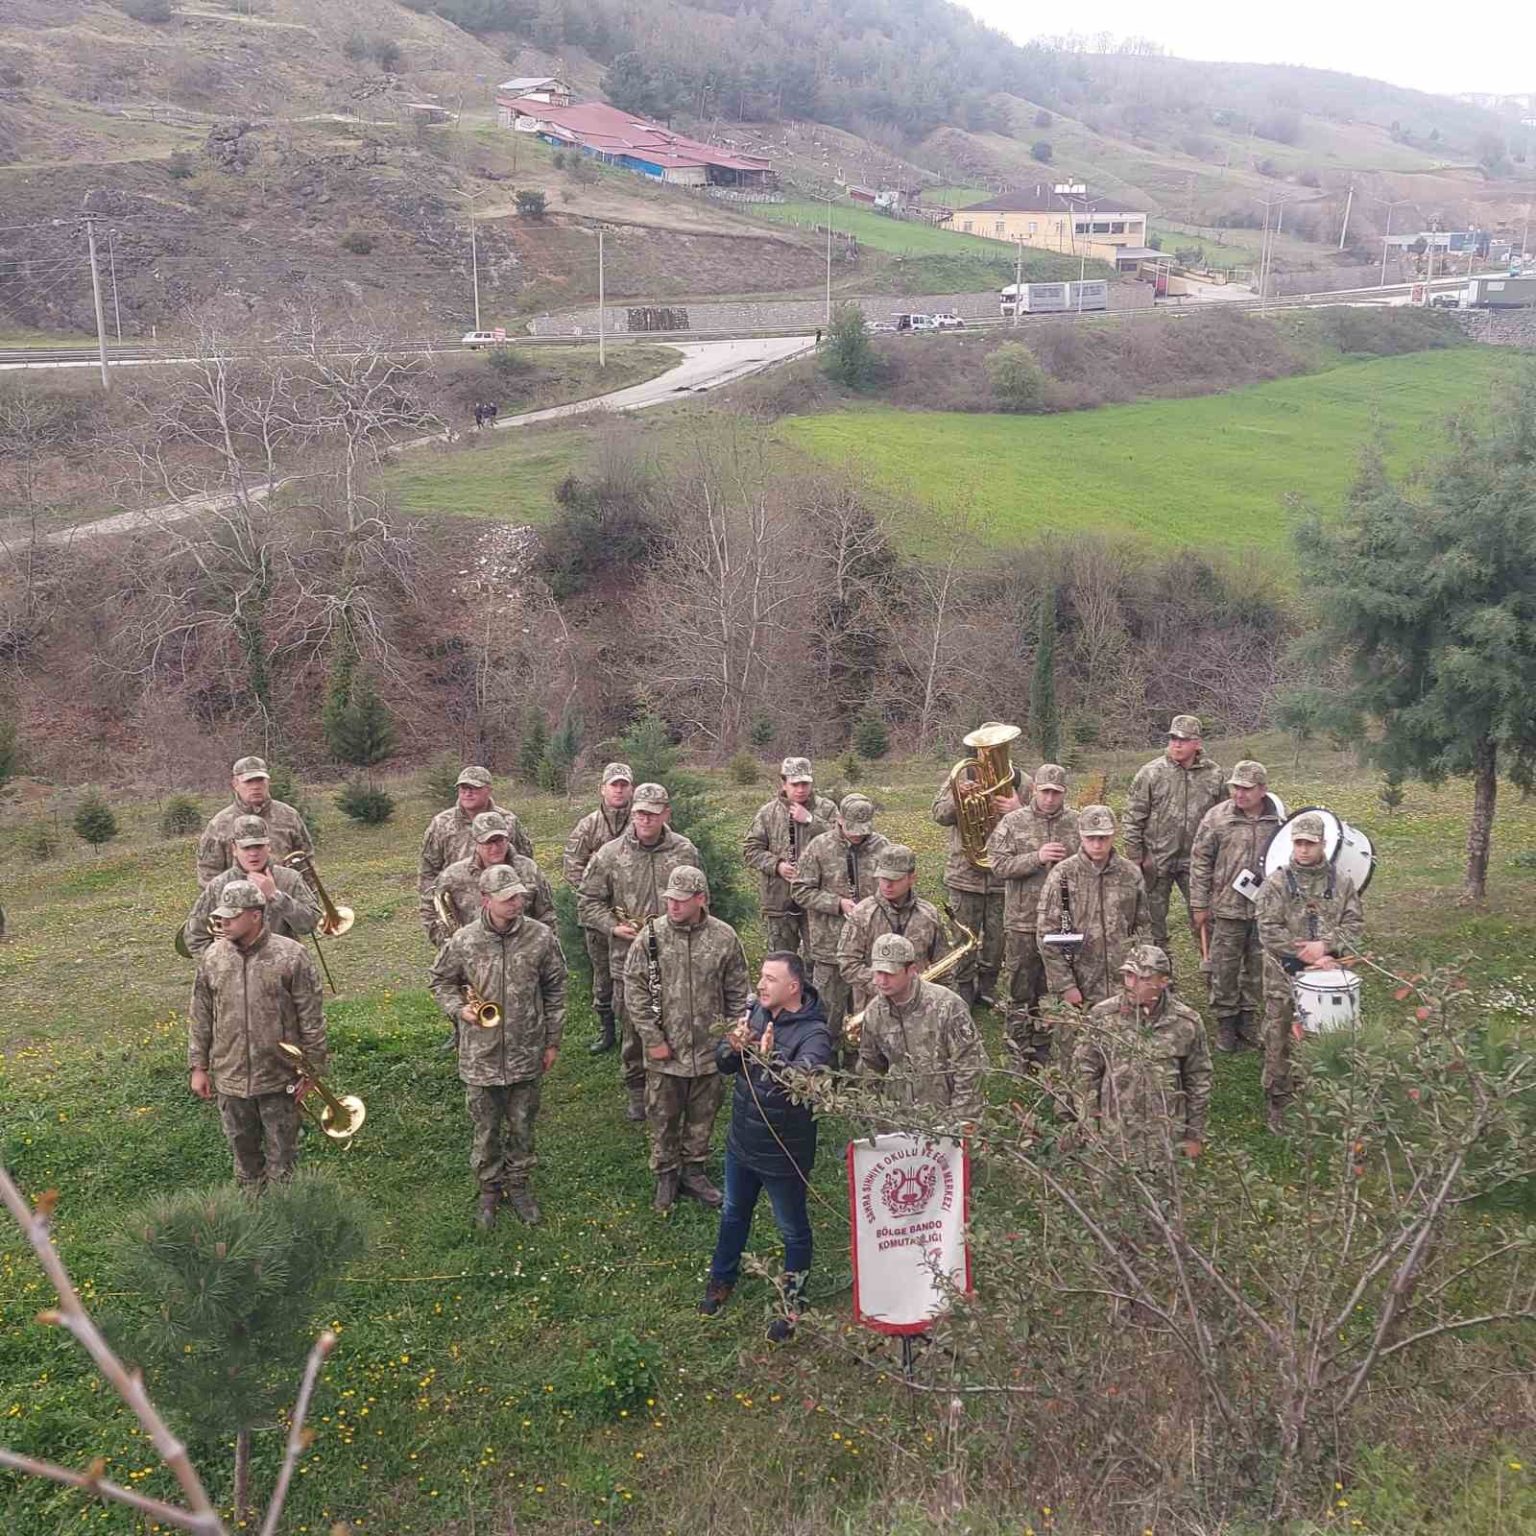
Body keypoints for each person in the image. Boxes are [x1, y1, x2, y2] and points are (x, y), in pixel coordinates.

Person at [701, 949, 834, 1341]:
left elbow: (804, 1088)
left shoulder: (815, 1035)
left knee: (792, 1230)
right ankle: (721, 1279)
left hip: (783, 1154)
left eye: (770, 979)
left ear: (793, 987)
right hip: (742, 1144)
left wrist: (771, 1060)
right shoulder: (755, 1012)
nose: (760, 985)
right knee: (733, 1214)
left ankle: (792, 1303)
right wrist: (732, 1047)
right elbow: (724, 1063)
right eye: (760, 976)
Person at [429, 865, 567, 1228]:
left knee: (523, 1124)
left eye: (519, 897)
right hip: (481, 1055)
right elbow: (440, 982)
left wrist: (552, 1041)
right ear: (485, 900)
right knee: (486, 1128)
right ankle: (489, 1188)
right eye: (507, 899)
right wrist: (459, 1010)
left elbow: (555, 989)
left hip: (526, 1050)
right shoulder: (464, 940)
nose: (516, 904)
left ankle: (519, 1184)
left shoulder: (541, 937)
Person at [624, 866, 751, 1212]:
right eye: (670, 899)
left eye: (681, 900)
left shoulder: (723, 937)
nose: (674, 905)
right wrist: (652, 1038)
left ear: (701, 899)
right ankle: (666, 1173)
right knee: (662, 1115)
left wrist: (733, 1034)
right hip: (666, 1051)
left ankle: (694, 1171)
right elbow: (634, 991)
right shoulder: (650, 937)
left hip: (710, 1050)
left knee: (703, 1114)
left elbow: (738, 989)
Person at [187, 879, 326, 1192]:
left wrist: (313, 1070)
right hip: (230, 1081)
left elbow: (311, 1017)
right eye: (221, 916)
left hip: (280, 1079)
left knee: (283, 1166)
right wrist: (198, 1067)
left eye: (232, 916)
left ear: (255, 915)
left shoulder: (291, 956)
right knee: (245, 1164)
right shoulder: (213, 957)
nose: (224, 922)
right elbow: (200, 1014)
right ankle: (251, 1217)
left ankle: (286, 1216)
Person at [579, 783, 702, 1123]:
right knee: (633, 1028)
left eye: (652, 813)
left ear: (666, 814)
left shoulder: (685, 851)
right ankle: (636, 1088)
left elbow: (702, 899)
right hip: (628, 961)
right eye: (639, 813)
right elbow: (587, 902)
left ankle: (674, 1084)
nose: (645, 819)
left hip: (676, 959)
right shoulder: (609, 854)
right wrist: (613, 927)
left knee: (677, 1022)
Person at [1255, 811, 1364, 1134]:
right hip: (1283, 975)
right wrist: (1305, 953)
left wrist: (1327, 947)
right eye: (1298, 843)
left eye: (1310, 844)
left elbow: (1354, 925)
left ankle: (1323, 1096)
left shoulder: (1341, 883)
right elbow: (1267, 930)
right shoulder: (1276, 883)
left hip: (1327, 976)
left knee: (1325, 1034)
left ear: (1323, 844)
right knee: (1278, 1035)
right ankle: (1278, 1099)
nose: (1303, 850)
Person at [1073, 944, 1212, 1168]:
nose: (1131, 984)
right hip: (1115, 1139)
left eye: (1142, 978)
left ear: (1163, 982)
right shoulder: (1103, 1016)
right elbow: (1084, 1073)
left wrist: (1194, 1134)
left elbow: (1198, 1079)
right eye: (1128, 975)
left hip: (1166, 1142)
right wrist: (1089, 1124)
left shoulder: (1186, 1023)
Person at [985, 764, 1080, 1066]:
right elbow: (997, 865)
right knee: (1019, 988)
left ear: (1065, 793)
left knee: (1052, 987)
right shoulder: (1013, 822)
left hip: (1062, 925)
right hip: (1022, 922)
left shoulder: (1077, 823)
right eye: (1045, 791)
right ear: (1035, 789)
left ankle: (1043, 1046)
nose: (1050, 798)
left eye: (1056, 793)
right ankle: (1017, 1048)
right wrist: (1035, 858)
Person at [1189, 760, 1284, 1053]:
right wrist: (1199, 903)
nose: (1239, 794)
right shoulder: (1217, 817)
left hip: (1265, 912)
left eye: (1246, 789)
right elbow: (1200, 861)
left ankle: (1248, 1021)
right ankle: (1226, 1024)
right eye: (1235, 788)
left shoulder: (1279, 820)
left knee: (1257, 968)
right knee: (1224, 969)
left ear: (1262, 789)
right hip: (1226, 909)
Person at [1037, 805, 1150, 1051]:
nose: (1097, 844)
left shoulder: (1131, 874)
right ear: (1080, 835)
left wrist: (1141, 978)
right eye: (1091, 838)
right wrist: (1066, 985)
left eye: (1103, 838)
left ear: (1114, 835)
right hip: (1079, 983)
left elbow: (1143, 930)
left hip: (1122, 983)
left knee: (1121, 1050)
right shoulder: (1062, 875)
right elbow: (1047, 936)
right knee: (1077, 1052)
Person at [856, 933, 988, 1128]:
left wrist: (961, 1123)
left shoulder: (948, 1006)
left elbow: (971, 1067)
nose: (881, 981)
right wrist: (877, 1119)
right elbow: (870, 1069)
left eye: (890, 974)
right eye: (878, 973)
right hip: (899, 1122)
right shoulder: (874, 1013)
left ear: (911, 970)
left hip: (946, 1119)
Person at [789, 793, 889, 1046]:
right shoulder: (820, 847)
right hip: (829, 948)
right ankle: (825, 1063)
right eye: (852, 829)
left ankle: (865, 1062)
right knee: (826, 1018)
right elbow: (800, 890)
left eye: (863, 830)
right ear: (839, 820)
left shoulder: (882, 846)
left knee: (870, 1018)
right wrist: (837, 904)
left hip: (869, 949)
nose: (857, 836)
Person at [1122, 716, 1226, 956]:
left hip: (1198, 862)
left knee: (1206, 919)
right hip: (1156, 861)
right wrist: (1136, 857)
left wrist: (1219, 856)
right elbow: (1133, 816)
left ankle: (1212, 967)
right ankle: (1157, 972)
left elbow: (1223, 817)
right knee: (1151, 923)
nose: (1177, 744)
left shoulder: (1214, 774)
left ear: (1197, 743)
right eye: (1173, 738)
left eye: (1183, 740)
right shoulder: (1151, 773)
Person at [930, 753, 1023, 1006]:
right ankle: (964, 986)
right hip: (965, 875)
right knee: (963, 935)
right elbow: (938, 814)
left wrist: (1018, 809)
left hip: (1002, 876)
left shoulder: (1018, 778)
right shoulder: (961, 775)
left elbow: (1041, 813)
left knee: (997, 939)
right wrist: (957, 798)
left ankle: (988, 986)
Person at [561, 762, 635, 1055]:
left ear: (631, 789)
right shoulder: (588, 826)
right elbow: (572, 866)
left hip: (636, 917)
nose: (619, 790)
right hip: (599, 919)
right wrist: (598, 895)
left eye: (624, 785)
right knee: (602, 977)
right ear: (603, 789)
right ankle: (607, 1030)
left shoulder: (642, 822)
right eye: (614, 785)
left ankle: (635, 1030)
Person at [417, 766, 533, 944]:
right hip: (462, 915)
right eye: (463, 788)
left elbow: (525, 864)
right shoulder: (441, 824)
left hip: (508, 919)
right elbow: (428, 873)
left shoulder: (508, 821)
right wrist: (439, 931)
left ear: (489, 790)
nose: (467, 793)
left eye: (474, 788)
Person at [837, 844, 948, 1020]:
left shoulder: (928, 915)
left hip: (920, 1011)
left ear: (912, 878)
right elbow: (847, 963)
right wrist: (887, 984)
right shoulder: (863, 913)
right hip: (873, 1009)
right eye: (883, 878)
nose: (887, 885)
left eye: (895, 879)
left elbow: (944, 964)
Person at [183, 815, 320, 956]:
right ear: (234, 849)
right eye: (246, 848)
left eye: (259, 846)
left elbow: (310, 924)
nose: (253, 853)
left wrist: (276, 896)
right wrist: (220, 961)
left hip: (283, 965)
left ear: (268, 846)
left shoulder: (289, 879)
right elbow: (193, 936)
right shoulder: (219, 885)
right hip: (235, 968)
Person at [742, 756, 837, 957]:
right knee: (781, 960)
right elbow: (751, 849)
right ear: (783, 783)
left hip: (818, 898)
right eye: (795, 784)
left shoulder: (827, 809)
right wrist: (777, 866)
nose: (801, 789)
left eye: (805, 784)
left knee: (819, 959)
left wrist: (810, 820)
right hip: (779, 900)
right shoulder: (768, 813)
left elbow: (841, 841)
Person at [433, 811, 555, 942]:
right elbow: (436, 916)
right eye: (488, 842)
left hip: (525, 949)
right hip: (473, 950)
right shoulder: (453, 876)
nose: (495, 847)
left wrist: (544, 946)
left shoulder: (529, 869)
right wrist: (451, 946)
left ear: (508, 839)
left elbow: (547, 914)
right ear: (476, 842)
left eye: (500, 840)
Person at [196, 755, 313, 884]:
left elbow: (306, 862)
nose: (256, 786)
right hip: (236, 895)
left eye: (260, 780)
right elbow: (208, 873)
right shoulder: (219, 824)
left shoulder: (289, 816)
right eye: (249, 781)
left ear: (268, 782)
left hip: (285, 894)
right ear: (235, 784)